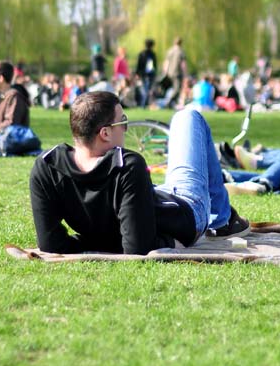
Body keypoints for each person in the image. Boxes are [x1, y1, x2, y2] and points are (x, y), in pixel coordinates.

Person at [29, 92, 249, 254]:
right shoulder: (127, 166)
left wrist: (89, 242)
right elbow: (136, 248)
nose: (126, 128)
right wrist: (171, 243)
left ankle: (224, 216)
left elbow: (51, 244)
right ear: (105, 133)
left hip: (152, 200)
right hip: (186, 209)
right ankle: (221, 220)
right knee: (188, 117)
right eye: (123, 121)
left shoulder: (46, 166)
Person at [163, 38, 187, 108]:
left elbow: (166, 62)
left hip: (170, 73)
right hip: (177, 72)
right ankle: (169, 102)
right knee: (177, 88)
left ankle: (173, 104)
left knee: (175, 88)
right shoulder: (181, 52)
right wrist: (185, 73)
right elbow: (183, 64)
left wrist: (165, 71)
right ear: (181, 43)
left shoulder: (170, 51)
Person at [135, 39, 157, 108]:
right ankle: (143, 104)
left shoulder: (142, 54)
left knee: (145, 90)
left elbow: (139, 65)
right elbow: (154, 66)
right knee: (147, 90)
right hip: (149, 75)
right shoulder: (152, 54)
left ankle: (143, 104)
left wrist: (137, 73)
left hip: (143, 74)